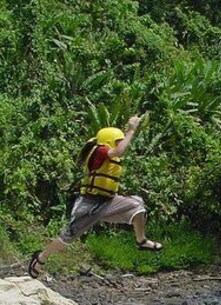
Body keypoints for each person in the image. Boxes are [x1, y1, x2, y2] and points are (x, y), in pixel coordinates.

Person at [28, 115, 162, 279]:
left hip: (108, 202)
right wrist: (131, 129)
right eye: (118, 140)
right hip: (89, 203)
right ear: (109, 140)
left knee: (137, 206)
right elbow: (119, 151)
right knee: (68, 236)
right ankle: (40, 259)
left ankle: (141, 241)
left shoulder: (110, 155)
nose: (120, 144)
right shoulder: (100, 151)